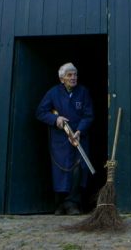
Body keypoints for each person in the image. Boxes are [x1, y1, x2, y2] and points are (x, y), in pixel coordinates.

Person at [36, 62, 93, 215]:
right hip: (60, 140)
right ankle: (60, 204)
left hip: (78, 137)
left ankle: (73, 204)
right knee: (60, 171)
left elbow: (88, 115)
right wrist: (56, 120)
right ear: (62, 78)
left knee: (78, 170)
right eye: (69, 75)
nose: (73, 77)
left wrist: (80, 130)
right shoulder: (53, 93)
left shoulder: (83, 92)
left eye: (75, 74)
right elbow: (41, 112)